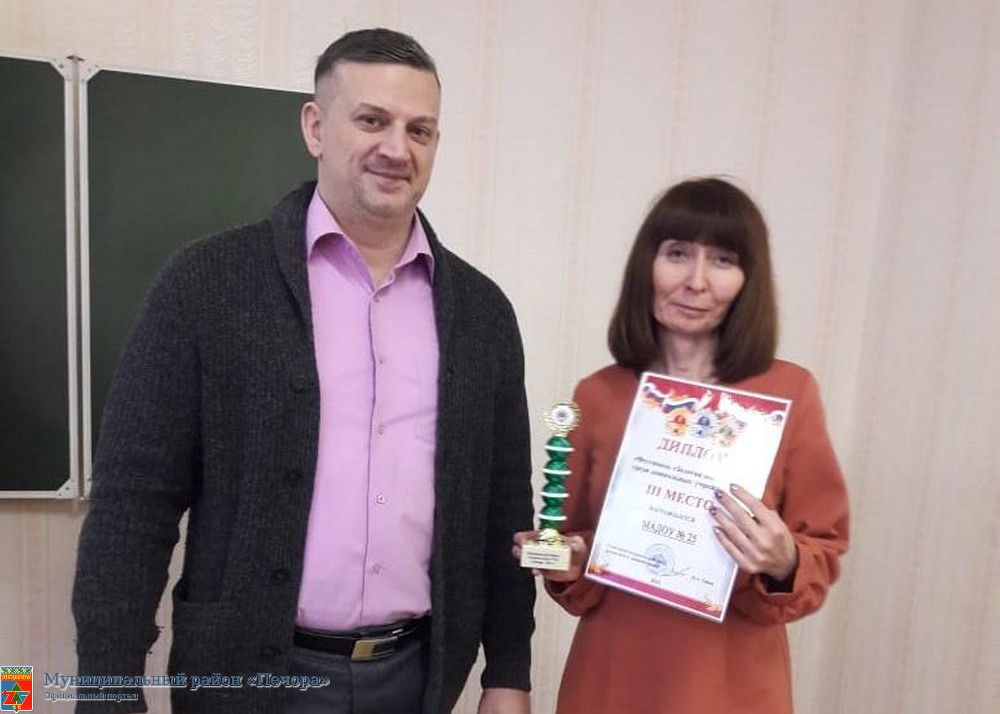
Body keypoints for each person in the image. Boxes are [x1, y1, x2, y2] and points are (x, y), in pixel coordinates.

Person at [73, 28, 535, 714]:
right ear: (316, 127)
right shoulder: (207, 283)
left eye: (419, 130)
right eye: (371, 120)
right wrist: (105, 692)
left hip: (417, 678)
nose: (396, 149)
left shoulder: (482, 314)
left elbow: (505, 506)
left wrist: (509, 672)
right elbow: (134, 502)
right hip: (244, 680)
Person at [513, 177, 849, 713]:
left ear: (748, 280)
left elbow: (822, 550)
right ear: (647, 265)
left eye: (722, 260)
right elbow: (577, 560)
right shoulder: (598, 396)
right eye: (677, 254)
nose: (696, 281)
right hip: (613, 679)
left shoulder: (789, 394)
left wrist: (785, 559)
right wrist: (570, 559)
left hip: (732, 685)